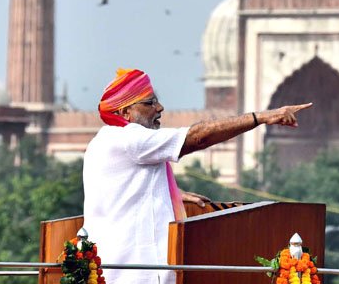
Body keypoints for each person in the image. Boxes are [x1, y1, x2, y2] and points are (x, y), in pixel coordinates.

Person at [82, 67, 312, 284]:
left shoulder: (103, 141)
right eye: (150, 103)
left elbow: (124, 190)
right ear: (125, 112)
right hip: (135, 273)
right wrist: (261, 117)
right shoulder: (129, 139)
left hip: (115, 270)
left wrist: (171, 194)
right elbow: (197, 137)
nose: (159, 108)